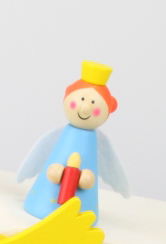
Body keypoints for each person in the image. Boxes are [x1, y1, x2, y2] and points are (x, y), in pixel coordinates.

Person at [17, 61, 129, 223]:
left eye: (93, 103)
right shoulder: (63, 135)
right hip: (41, 204)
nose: (85, 108)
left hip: (79, 214)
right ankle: (46, 202)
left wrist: (86, 178)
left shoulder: (93, 140)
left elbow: (110, 162)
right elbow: (42, 149)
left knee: (87, 178)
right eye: (82, 99)